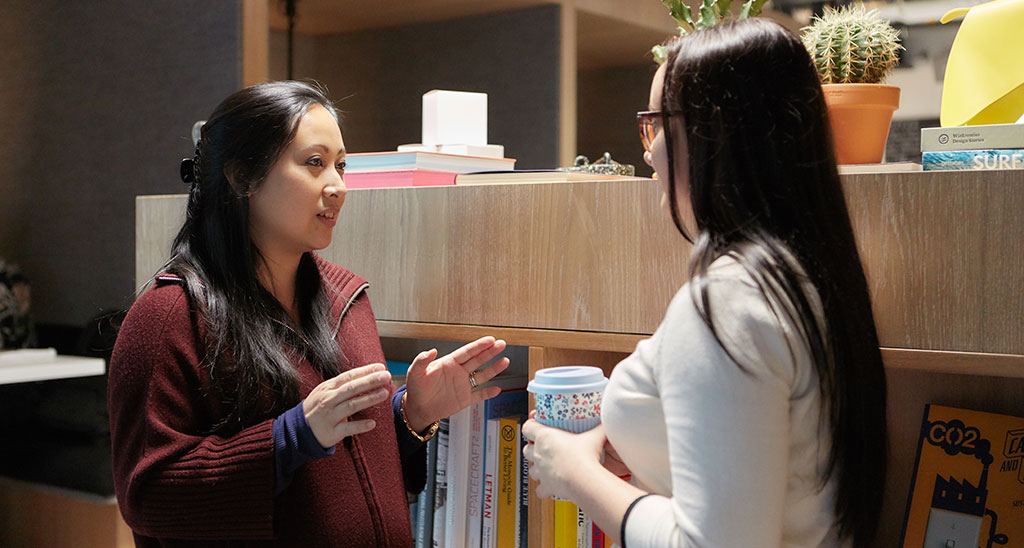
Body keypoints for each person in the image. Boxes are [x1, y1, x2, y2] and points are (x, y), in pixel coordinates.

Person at [522, 18, 887, 548]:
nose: (648, 151)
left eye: (654, 125)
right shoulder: (804, 275)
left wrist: (572, 472)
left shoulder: (726, 302)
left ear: (710, 134)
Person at [108, 81, 510, 547]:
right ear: (242, 177)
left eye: (341, 165)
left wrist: (412, 415)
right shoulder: (169, 316)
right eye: (314, 163)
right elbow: (148, 496)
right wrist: (290, 437)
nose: (338, 186)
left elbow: (353, 472)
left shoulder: (347, 298)